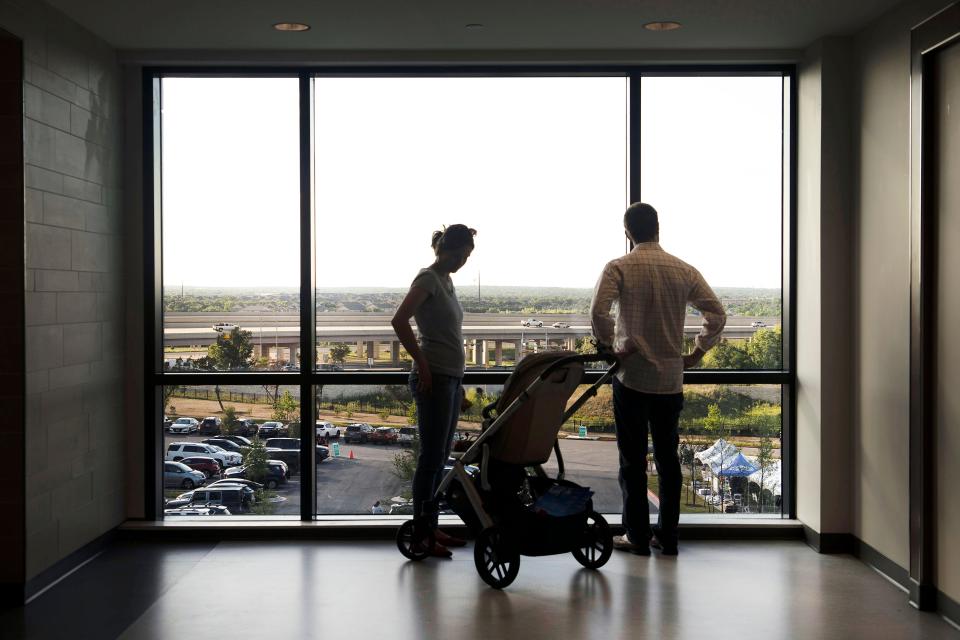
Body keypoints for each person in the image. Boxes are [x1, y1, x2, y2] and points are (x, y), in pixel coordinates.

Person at [590, 203, 726, 556]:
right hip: (670, 380)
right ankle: (667, 536)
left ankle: (636, 536)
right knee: (667, 460)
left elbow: (598, 311)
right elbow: (717, 312)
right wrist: (697, 352)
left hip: (632, 377)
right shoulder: (684, 270)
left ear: (627, 231)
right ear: (658, 228)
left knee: (632, 462)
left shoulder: (619, 267)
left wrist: (608, 346)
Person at [392, 224, 477, 557]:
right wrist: (422, 364)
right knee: (430, 459)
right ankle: (422, 533)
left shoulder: (447, 281)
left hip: (450, 379)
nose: (463, 262)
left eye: (467, 257)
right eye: (461, 255)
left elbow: (448, 336)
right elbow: (400, 320)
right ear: (447, 250)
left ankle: (431, 527)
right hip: (434, 379)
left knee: (440, 458)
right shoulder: (427, 278)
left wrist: (460, 383)